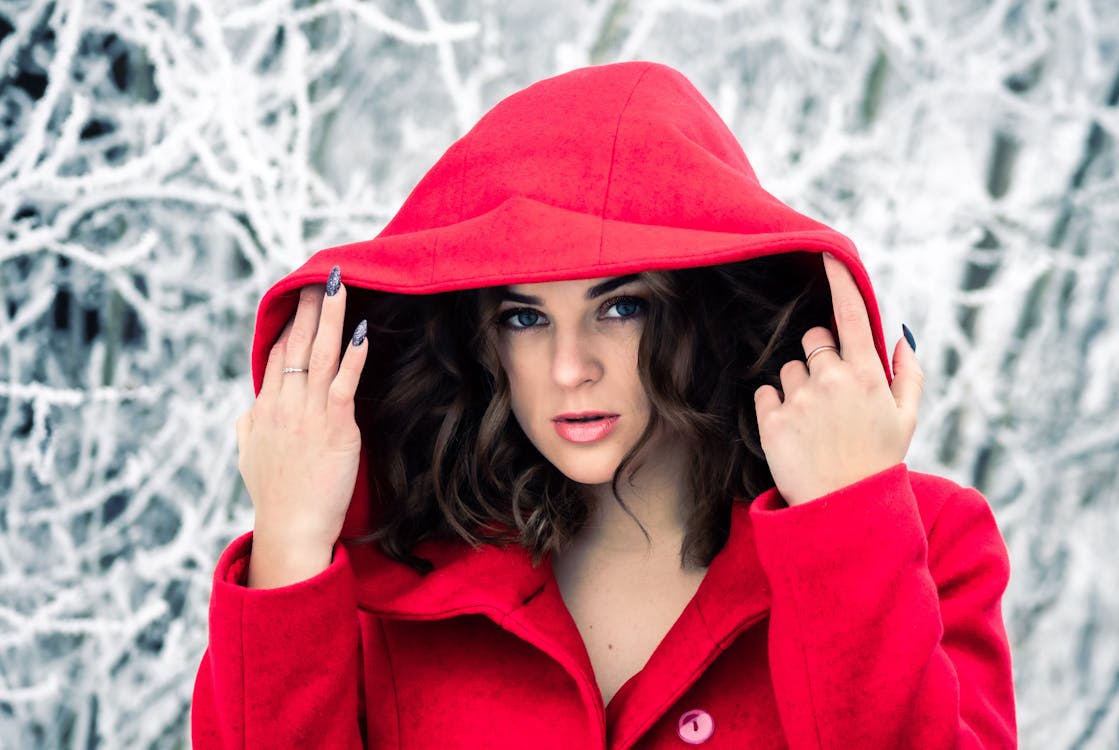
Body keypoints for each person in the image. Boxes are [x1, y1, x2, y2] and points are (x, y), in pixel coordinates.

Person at [191, 61, 1017, 748]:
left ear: (704, 308)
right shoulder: (391, 577)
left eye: (621, 306)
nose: (567, 367)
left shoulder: (925, 542)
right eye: (523, 316)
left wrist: (845, 528)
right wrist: (292, 546)